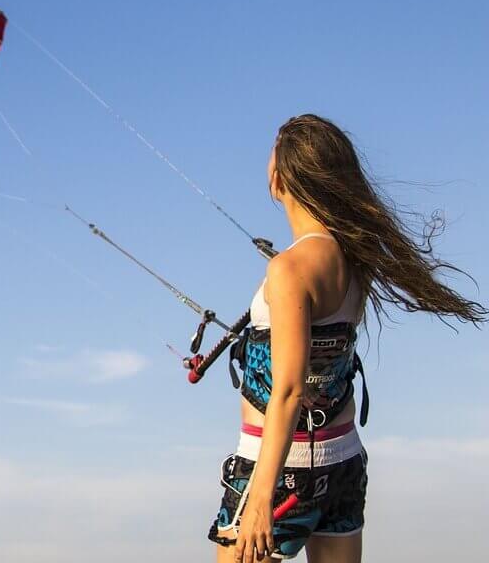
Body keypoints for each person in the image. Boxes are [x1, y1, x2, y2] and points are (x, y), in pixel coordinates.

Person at [207, 114, 487, 562]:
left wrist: (259, 498)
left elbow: (289, 390)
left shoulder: (289, 270)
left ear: (281, 180)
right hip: (342, 463)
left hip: (276, 470)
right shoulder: (358, 259)